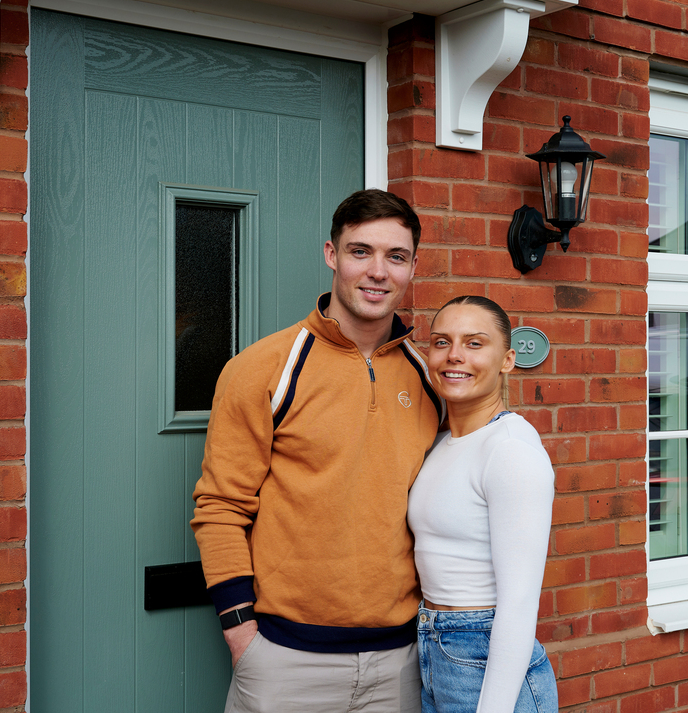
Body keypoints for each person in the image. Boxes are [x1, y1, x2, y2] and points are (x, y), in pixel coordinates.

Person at [192, 189, 443, 713]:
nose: (378, 271)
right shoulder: (262, 369)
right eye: (360, 252)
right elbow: (220, 507)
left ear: (413, 267)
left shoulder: (430, 379)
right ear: (331, 254)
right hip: (285, 661)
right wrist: (242, 633)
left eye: (395, 257)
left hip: (401, 662)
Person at [408, 296, 558, 713]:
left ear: (507, 360)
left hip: (484, 655)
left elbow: (520, 600)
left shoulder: (510, 449)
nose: (454, 355)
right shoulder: (441, 442)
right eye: (441, 342)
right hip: (435, 646)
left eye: (475, 344)